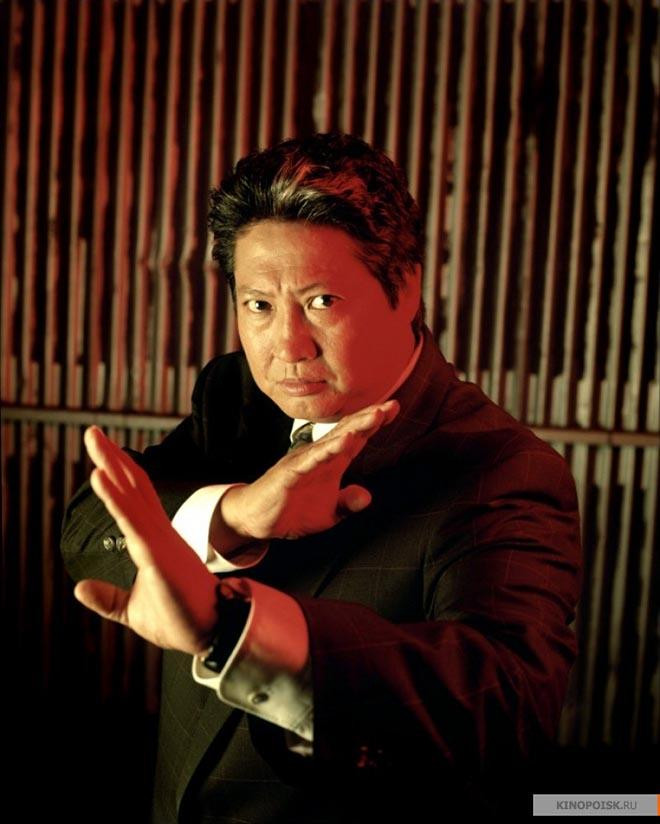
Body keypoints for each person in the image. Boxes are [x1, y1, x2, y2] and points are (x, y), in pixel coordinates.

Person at [61, 132, 581, 822]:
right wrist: (236, 516)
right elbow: (88, 532)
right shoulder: (237, 397)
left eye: (321, 301)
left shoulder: (503, 467)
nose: (287, 346)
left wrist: (231, 628)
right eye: (259, 305)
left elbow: (506, 711)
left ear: (406, 288)